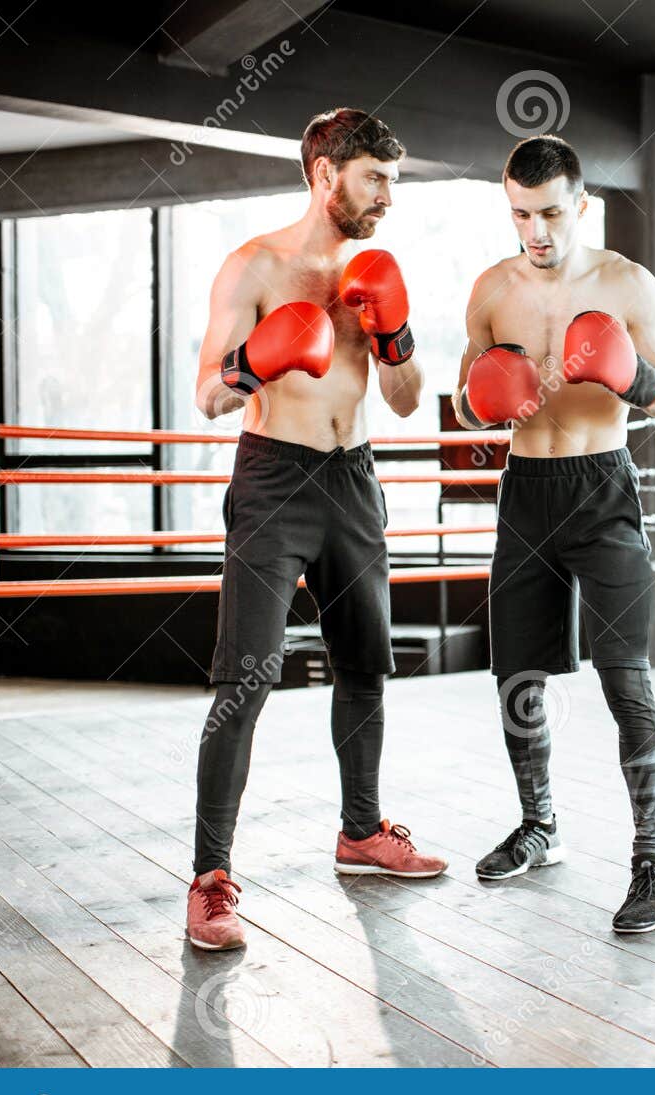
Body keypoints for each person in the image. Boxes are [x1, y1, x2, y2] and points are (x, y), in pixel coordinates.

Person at [185, 108, 446, 952]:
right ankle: (212, 879)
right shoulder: (254, 265)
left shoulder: (374, 271)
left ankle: (362, 833)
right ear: (327, 174)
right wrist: (260, 357)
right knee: (245, 680)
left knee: (366, 664)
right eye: (376, 180)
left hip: (354, 479)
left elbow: (404, 402)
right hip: (273, 479)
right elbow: (209, 397)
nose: (387, 199)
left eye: (393, 183)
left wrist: (394, 332)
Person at [453, 134, 655, 933]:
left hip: (602, 488)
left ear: (581, 204)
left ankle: (653, 862)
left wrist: (632, 377)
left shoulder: (628, 284)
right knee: (517, 675)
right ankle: (539, 825)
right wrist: (483, 396)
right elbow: (464, 397)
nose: (537, 232)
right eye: (521, 213)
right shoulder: (491, 291)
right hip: (525, 489)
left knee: (624, 678)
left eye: (551, 212)